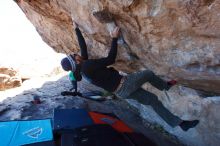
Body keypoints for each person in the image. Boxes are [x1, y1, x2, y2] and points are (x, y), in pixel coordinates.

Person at [61, 23, 199, 131]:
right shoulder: (87, 66)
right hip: (125, 84)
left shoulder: (82, 69)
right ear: (76, 61)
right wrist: (114, 38)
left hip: (121, 92)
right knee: (148, 74)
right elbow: (110, 59)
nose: (76, 53)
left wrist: (76, 29)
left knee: (153, 101)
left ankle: (180, 123)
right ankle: (165, 86)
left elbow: (83, 48)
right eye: (74, 55)